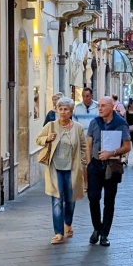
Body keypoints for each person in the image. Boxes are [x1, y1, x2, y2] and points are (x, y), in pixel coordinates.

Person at [36, 97, 87, 244]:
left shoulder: (78, 128)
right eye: (60, 109)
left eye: (66, 109)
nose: (63, 112)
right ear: (57, 110)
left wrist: (82, 163)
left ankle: (68, 224)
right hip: (55, 168)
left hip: (72, 169)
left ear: (71, 111)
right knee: (57, 200)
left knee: (70, 200)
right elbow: (38, 139)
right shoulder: (51, 126)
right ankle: (58, 232)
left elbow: (83, 147)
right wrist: (47, 138)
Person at [86, 96, 131, 246]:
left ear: (112, 107)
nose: (100, 108)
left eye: (103, 106)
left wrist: (111, 153)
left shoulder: (120, 124)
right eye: (99, 105)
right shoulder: (94, 123)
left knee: (109, 201)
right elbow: (89, 144)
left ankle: (104, 234)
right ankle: (96, 228)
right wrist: (88, 163)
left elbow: (127, 146)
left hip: (112, 166)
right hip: (95, 165)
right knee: (93, 198)